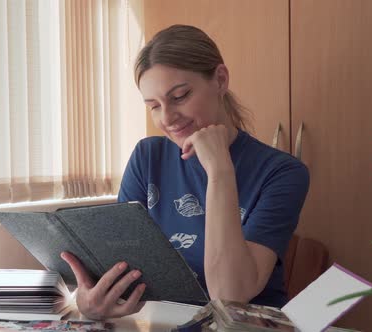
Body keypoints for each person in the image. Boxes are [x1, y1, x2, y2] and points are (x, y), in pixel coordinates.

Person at [61, 24, 310, 320]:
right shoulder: (147, 156)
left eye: (179, 96)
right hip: (163, 322)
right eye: (154, 105)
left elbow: (230, 297)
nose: (167, 118)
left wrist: (219, 171)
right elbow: (120, 265)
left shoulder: (282, 172)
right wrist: (89, 303)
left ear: (220, 80)